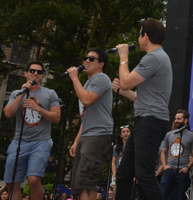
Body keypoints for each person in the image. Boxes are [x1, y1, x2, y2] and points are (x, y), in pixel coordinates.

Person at [115, 19, 173, 200]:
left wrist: (124, 57)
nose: (138, 38)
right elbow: (140, 96)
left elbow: (125, 81)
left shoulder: (153, 57)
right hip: (145, 120)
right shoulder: (158, 58)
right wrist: (123, 92)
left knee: (145, 175)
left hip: (150, 121)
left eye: (139, 34)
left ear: (145, 36)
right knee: (124, 174)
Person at [3, 61, 60, 200]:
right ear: (26, 73)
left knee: (34, 179)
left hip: (41, 141)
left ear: (42, 76)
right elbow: (8, 113)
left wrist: (38, 108)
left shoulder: (50, 93)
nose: (35, 74)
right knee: (11, 183)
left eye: (39, 72)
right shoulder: (17, 93)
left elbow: (56, 117)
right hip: (19, 141)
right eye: (32, 71)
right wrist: (22, 94)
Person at [67, 48, 113, 200]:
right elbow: (85, 117)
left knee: (87, 181)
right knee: (79, 182)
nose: (86, 61)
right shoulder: (87, 83)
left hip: (97, 135)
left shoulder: (101, 78)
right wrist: (76, 141)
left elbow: (87, 100)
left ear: (101, 64)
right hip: (87, 135)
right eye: (85, 58)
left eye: (91, 59)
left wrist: (74, 78)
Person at [160, 109, 193, 200]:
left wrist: (187, 167)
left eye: (179, 119)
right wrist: (164, 166)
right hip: (169, 170)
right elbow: (163, 152)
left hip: (182, 172)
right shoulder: (169, 135)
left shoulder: (191, 135)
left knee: (181, 197)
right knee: (162, 194)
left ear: (185, 120)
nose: (176, 121)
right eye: (175, 119)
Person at [111, 125, 131, 197]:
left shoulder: (133, 146)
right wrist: (114, 175)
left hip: (128, 173)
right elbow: (113, 162)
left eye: (127, 131)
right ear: (120, 135)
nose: (126, 133)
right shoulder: (116, 147)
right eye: (123, 132)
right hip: (118, 173)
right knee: (116, 195)